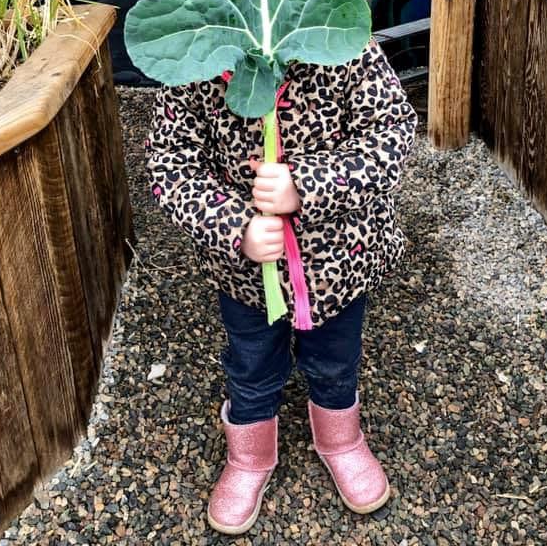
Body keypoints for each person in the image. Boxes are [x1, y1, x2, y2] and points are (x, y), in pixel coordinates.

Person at [146, 36, 418, 535]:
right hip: (247, 272)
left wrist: (307, 185)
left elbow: (392, 132)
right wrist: (236, 226)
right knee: (251, 361)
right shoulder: (195, 56)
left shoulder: (341, 42)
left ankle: (341, 438)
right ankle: (249, 456)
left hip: (341, 259)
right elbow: (170, 165)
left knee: (336, 356)